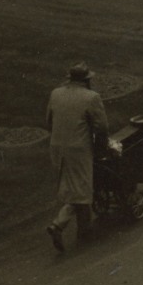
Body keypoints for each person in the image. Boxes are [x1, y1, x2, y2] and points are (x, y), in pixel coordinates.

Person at [45, 62, 109, 252]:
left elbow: (49, 121)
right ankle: (59, 225)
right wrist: (100, 150)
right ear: (87, 80)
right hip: (78, 150)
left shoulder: (55, 93)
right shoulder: (91, 97)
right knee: (81, 190)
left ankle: (85, 229)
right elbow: (102, 128)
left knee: (74, 187)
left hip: (57, 148)